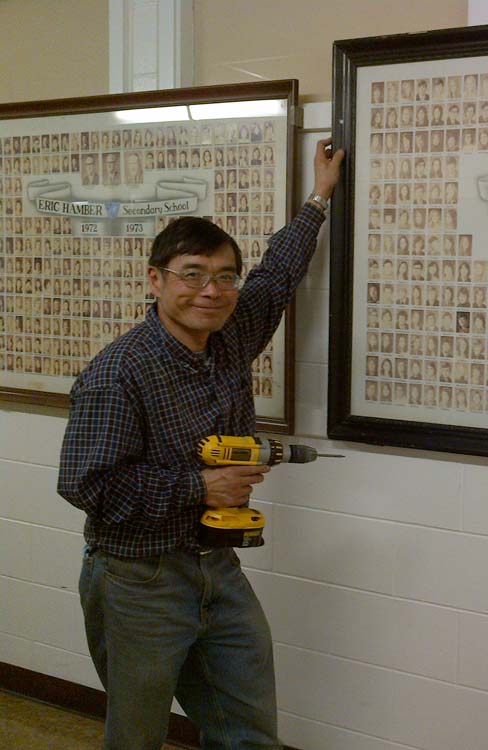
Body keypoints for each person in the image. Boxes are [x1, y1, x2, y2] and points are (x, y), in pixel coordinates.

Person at [57, 138, 345, 750]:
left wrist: (319, 196)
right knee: (137, 737)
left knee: (249, 732)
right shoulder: (119, 372)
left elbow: (277, 275)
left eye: (223, 277)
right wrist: (200, 486)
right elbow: (86, 486)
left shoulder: (230, 336)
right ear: (156, 280)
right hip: (139, 578)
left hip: (218, 566)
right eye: (192, 275)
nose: (210, 291)